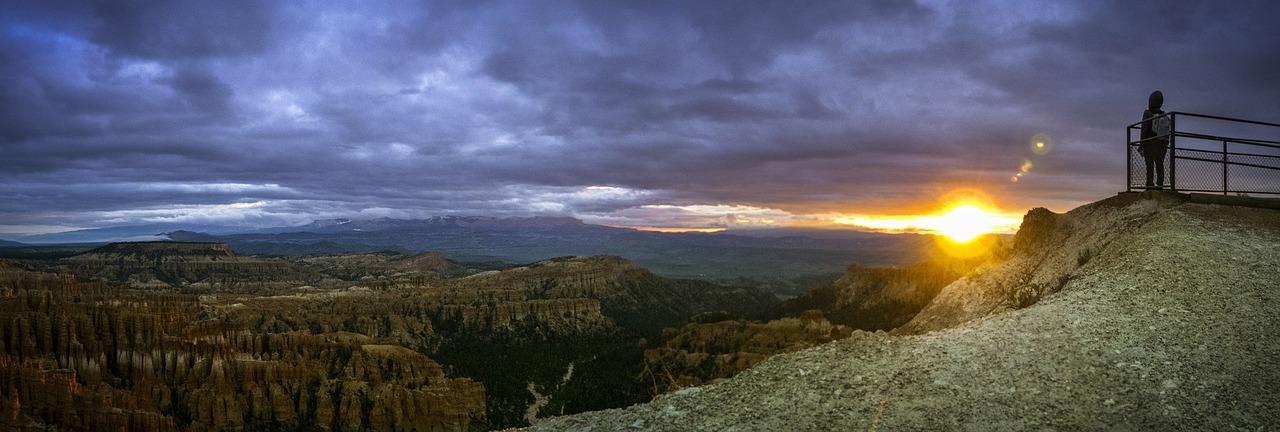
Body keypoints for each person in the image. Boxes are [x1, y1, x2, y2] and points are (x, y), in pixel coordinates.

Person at [1139, 90, 1169, 189]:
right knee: (1160, 165)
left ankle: (1149, 184)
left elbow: (1144, 129)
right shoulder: (1164, 115)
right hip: (1162, 143)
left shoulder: (1147, 113)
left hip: (1150, 143)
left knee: (1150, 165)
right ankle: (1160, 185)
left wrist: (1141, 144)